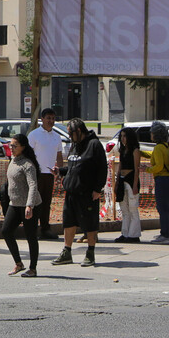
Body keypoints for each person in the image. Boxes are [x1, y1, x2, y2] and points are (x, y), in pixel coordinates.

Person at [52, 118, 106, 267]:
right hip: (71, 193)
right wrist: (60, 171)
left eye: (71, 133)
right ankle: (67, 252)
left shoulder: (94, 145)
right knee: (68, 223)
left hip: (87, 193)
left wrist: (97, 189)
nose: (69, 136)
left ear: (79, 131)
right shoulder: (74, 146)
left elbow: (102, 169)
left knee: (89, 224)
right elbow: (72, 167)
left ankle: (90, 253)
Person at [2, 134, 41, 277]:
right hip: (15, 204)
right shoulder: (12, 162)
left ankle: (33, 268)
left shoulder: (28, 165)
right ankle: (19, 263)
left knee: (31, 236)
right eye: (10, 145)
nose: (11, 148)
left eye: (14, 146)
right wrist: (1, 196)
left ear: (23, 147)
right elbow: (10, 183)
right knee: (6, 231)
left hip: (29, 205)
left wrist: (29, 205)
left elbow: (33, 185)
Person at [27, 107, 65, 240]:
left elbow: (59, 156)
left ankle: (45, 228)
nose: (51, 121)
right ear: (42, 119)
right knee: (34, 202)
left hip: (49, 175)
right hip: (36, 174)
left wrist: (58, 170)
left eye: (53, 118)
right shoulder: (34, 135)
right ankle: (31, 229)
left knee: (46, 203)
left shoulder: (56, 137)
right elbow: (28, 154)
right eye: (48, 118)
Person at [110, 127, 142, 243]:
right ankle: (125, 233)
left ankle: (134, 234)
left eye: (125, 136)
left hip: (131, 180)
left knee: (133, 208)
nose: (123, 139)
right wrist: (117, 182)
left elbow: (136, 169)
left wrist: (134, 185)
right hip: (122, 180)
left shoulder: (135, 150)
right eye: (121, 136)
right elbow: (120, 167)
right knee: (124, 209)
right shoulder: (122, 150)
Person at [148, 121, 169, 243]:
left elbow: (158, 166)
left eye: (152, 132)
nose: (151, 134)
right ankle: (166, 232)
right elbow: (157, 157)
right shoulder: (166, 146)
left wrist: (146, 169)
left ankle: (165, 234)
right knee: (166, 208)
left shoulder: (158, 148)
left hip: (161, 180)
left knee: (162, 208)